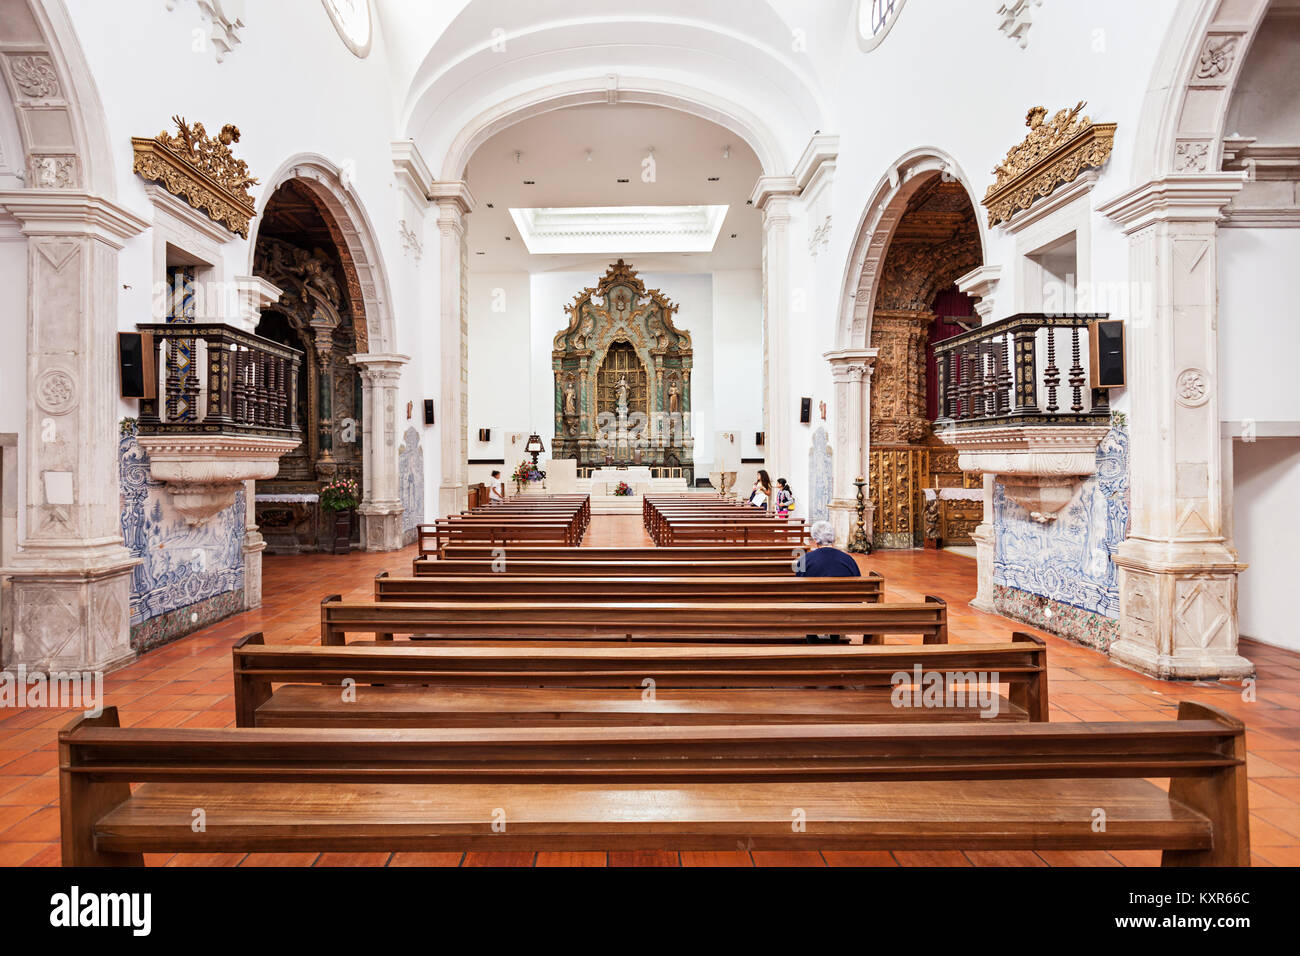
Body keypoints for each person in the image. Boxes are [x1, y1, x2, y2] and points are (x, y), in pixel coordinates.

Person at [797, 519, 860, 643]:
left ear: (815, 540)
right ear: (833, 539)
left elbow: (798, 584)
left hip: (812, 610)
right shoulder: (848, 559)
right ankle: (835, 636)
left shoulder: (805, 559)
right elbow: (858, 582)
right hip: (843, 610)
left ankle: (812, 637)